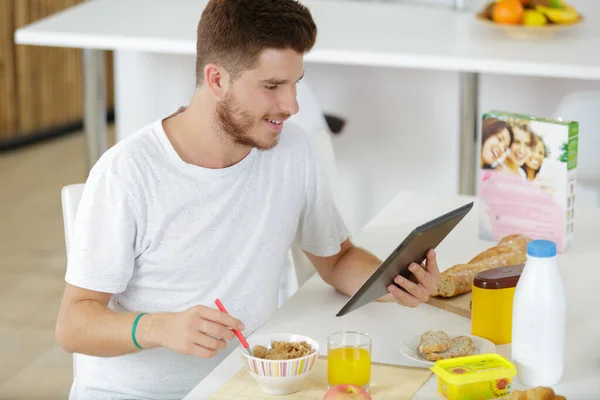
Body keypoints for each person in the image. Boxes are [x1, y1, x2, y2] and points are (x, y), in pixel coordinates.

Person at [56, 1, 441, 399]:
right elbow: (73, 324)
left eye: (295, 84)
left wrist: (394, 280)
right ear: (217, 79)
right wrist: (159, 327)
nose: (292, 106)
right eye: (272, 87)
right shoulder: (128, 173)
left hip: (245, 386)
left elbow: (337, 259)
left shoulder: (292, 150)